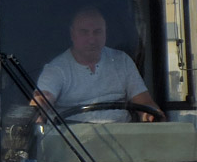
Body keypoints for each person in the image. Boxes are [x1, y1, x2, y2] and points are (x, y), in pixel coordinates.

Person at [33, 7, 161, 123]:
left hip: (122, 139)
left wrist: (150, 116)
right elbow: (43, 99)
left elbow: (144, 102)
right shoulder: (56, 69)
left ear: (106, 33)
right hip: (73, 142)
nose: (92, 39)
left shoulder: (122, 61)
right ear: (72, 34)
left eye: (97, 32)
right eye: (84, 32)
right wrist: (40, 105)